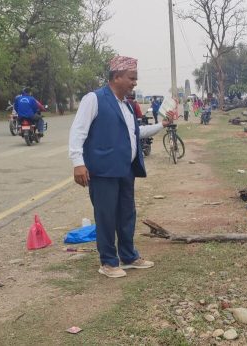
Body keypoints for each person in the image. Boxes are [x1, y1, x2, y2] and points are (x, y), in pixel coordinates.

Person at [68, 56, 172, 278]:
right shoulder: (94, 99)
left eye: (135, 78)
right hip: (103, 170)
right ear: (116, 77)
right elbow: (78, 131)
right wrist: (78, 163)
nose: (135, 83)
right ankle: (108, 262)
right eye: (131, 78)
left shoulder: (126, 106)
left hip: (126, 169)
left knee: (126, 214)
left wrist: (161, 125)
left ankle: (129, 256)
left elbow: (135, 133)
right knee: (106, 215)